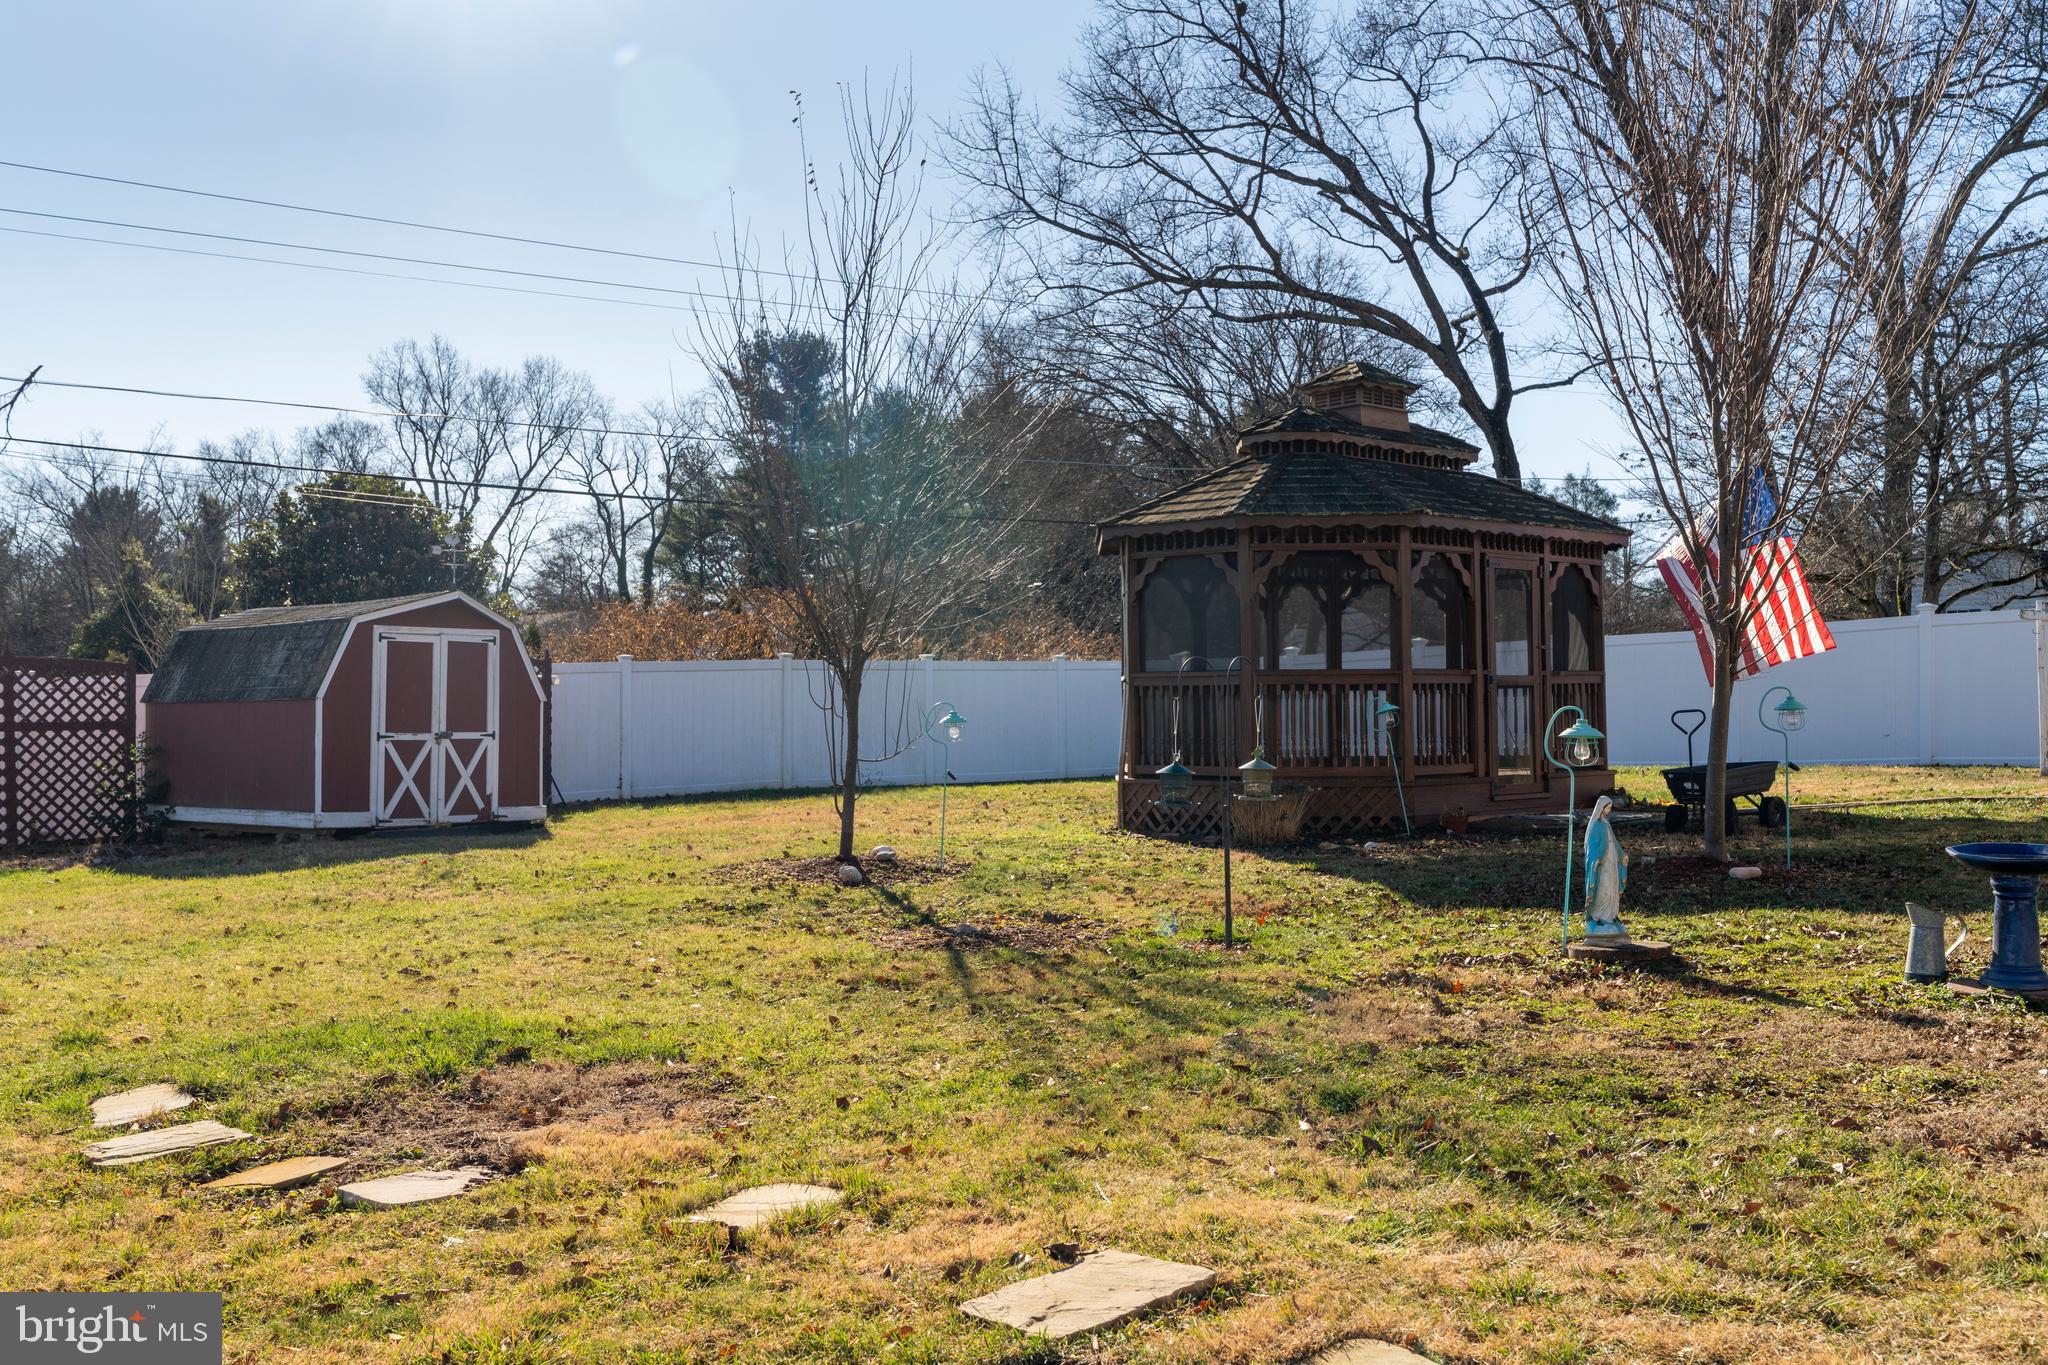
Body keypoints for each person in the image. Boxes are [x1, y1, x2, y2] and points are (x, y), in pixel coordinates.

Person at [1583, 794, 1631, 944]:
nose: (1609, 811)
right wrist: (1596, 859)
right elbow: (1591, 846)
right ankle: (1598, 917)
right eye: (1607, 808)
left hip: (1612, 863)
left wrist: (1622, 855)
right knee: (1602, 888)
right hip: (1602, 865)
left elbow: (1614, 843)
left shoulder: (1606, 824)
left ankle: (1610, 916)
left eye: (1610, 808)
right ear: (1601, 808)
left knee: (1612, 888)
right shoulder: (1596, 825)